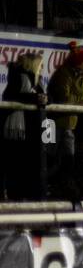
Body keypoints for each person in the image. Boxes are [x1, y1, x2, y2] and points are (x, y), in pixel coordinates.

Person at [47, 43, 83, 192]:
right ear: (79, 63)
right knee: (50, 156)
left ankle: (64, 186)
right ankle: (45, 185)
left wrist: (77, 103)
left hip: (70, 123)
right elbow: (64, 98)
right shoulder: (62, 73)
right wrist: (80, 100)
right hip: (53, 122)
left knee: (68, 157)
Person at [2, 53, 45, 200]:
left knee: (29, 163)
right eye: (40, 64)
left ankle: (27, 194)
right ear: (32, 64)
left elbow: (46, 97)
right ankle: (15, 194)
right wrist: (36, 98)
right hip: (18, 128)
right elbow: (13, 95)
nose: (43, 67)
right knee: (16, 162)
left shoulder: (37, 81)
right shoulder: (17, 77)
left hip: (32, 128)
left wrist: (45, 99)